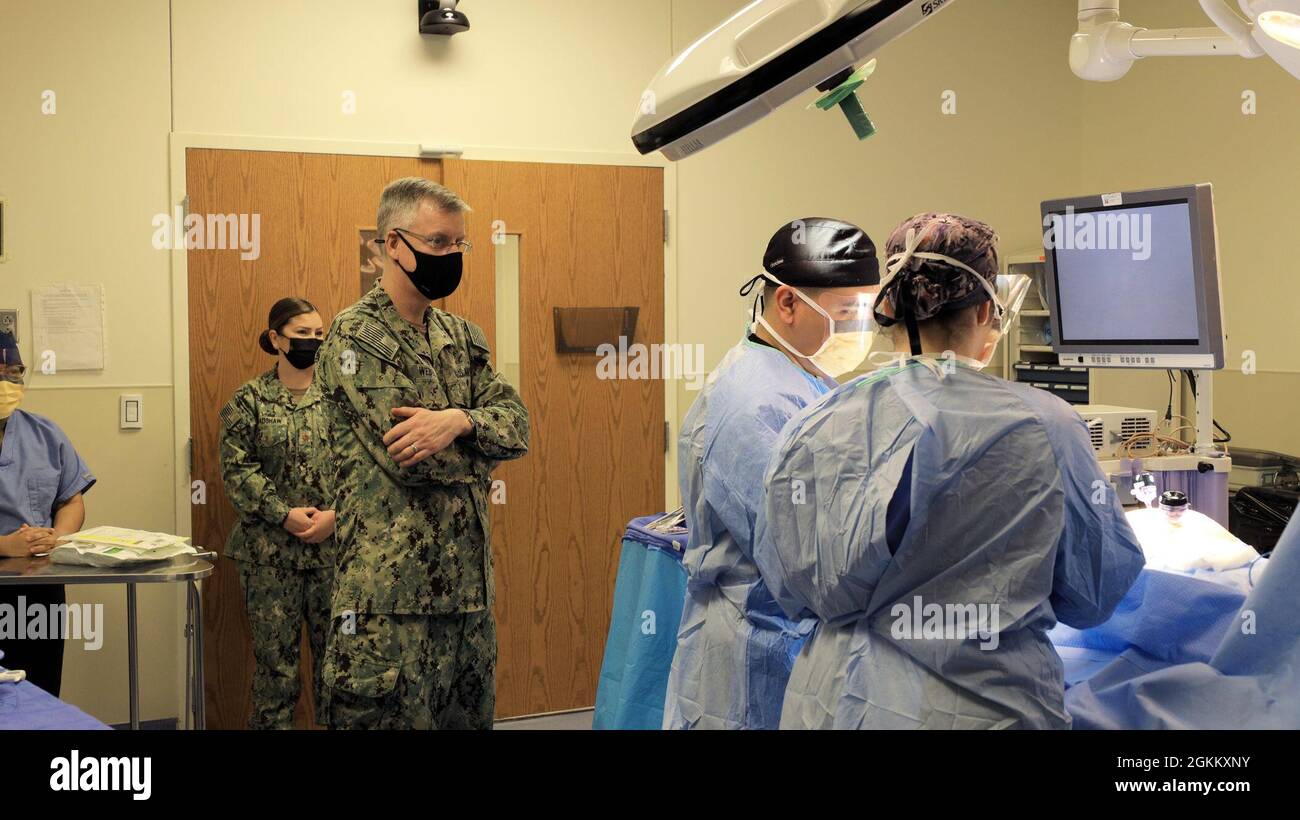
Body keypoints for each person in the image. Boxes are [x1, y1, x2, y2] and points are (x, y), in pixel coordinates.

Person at [754, 212, 1146, 729]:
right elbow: (1095, 593)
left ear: (886, 307)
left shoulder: (815, 423)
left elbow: (790, 587)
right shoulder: (1045, 425)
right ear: (989, 310)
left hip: (837, 702)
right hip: (981, 709)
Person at [315, 177, 529, 730]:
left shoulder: (463, 337)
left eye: (460, 244)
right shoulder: (354, 338)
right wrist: (478, 448)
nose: (452, 256)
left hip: (467, 602)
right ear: (393, 244)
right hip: (389, 607)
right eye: (438, 243)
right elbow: (413, 460)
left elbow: (518, 428)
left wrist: (459, 420)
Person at [662, 217, 881, 730]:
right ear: (787, 303)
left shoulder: (798, 378)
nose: (861, 330)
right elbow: (804, 552)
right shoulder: (756, 402)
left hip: (779, 635)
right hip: (753, 647)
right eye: (848, 312)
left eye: (868, 312)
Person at [219, 298, 336, 729]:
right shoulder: (248, 400)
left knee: (340, 671)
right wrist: (283, 513)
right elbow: (237, 472)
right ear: (275, 339)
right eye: (302, 334)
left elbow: (366, 468)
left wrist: (335, 517)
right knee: (276, 675)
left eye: (319, 334)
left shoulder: (342, 398)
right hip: (270, 559)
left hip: (335, 556)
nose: (312, 342)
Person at [0, 330, 95, 695]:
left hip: (40, 589)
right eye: (0, 371)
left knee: (39, 690)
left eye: (16, 371)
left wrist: (57, 535)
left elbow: (70, 499)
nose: (9, 381)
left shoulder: (43, 432)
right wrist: (5, 546)